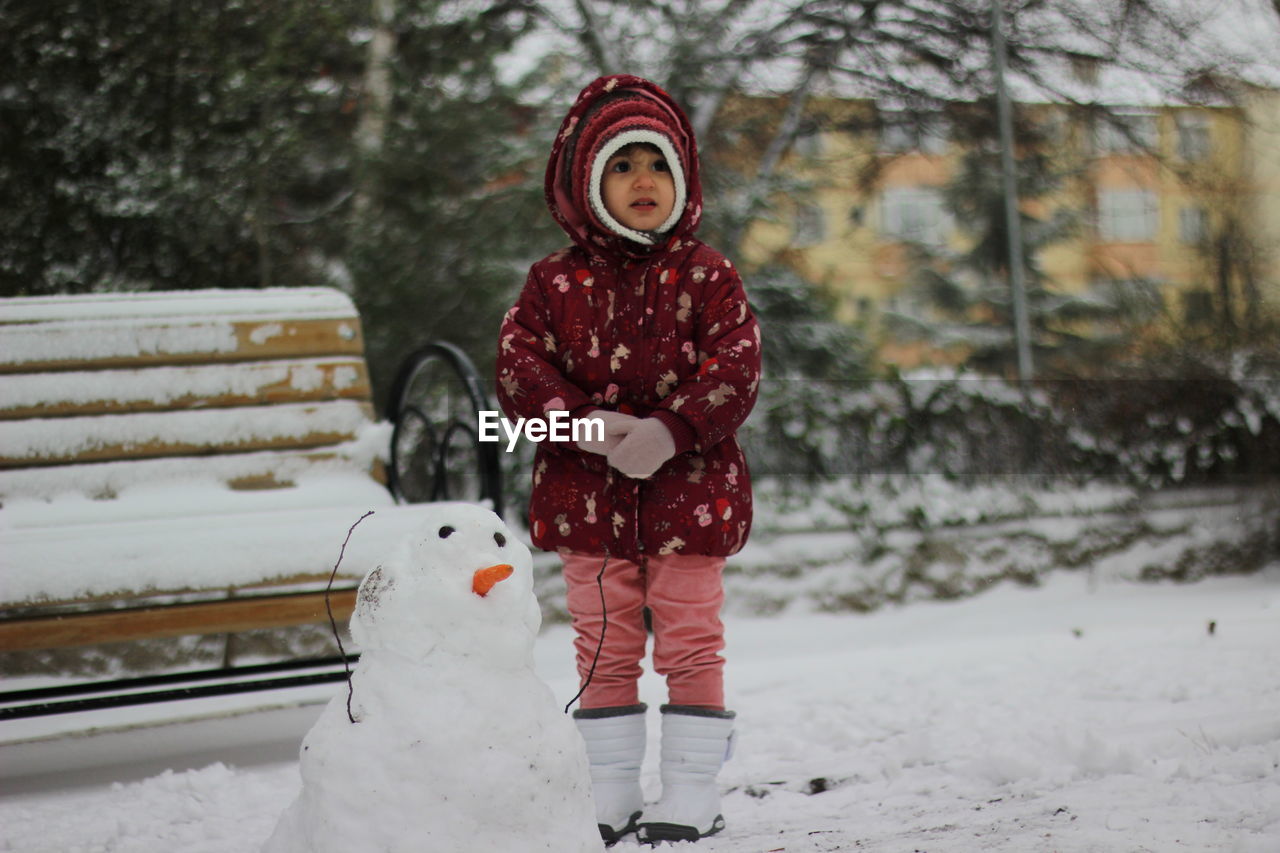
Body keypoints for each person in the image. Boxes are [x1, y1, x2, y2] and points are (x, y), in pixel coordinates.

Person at [495, 74, 761, 844]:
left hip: (692, 495)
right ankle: (610, 786)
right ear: (586, 182)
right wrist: (577, 425)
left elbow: (737, 367)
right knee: (603, 640)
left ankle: (689, 787)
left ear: (681, 178)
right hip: (587, 498)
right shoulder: (552, 282)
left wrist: (672, 429)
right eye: (621, 165)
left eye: (656, 164)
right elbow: (519, 368)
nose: (642, 180)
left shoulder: (709, 274)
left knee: (688, 635)